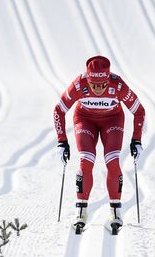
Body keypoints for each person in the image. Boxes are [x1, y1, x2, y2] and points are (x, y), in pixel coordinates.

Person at [53, 55, 145, 231]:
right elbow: (59, 110)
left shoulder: (118, 85)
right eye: (93, 85)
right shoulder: (79, 85)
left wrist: (136, 139)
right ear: (88, 78)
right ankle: (81, 211)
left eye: (102, 85)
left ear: (108, 79)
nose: (97, 89)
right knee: (86, 160)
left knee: (112, 161)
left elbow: (139, 111)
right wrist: (62, 141)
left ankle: (115, 211)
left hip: (113, 120)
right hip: (85, 119)